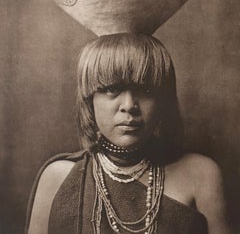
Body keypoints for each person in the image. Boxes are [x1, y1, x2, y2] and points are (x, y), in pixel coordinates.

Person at [25, 33, 230, 234]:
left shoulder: (200, 175)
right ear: (90, 100)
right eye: (112, 88)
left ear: (162, 101)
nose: (129, 105)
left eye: (146, 90)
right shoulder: (58, 177)